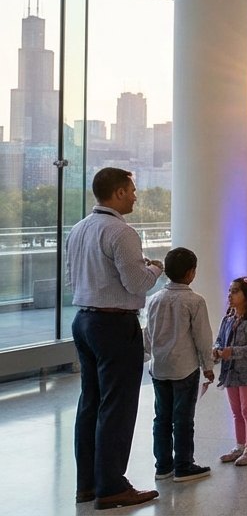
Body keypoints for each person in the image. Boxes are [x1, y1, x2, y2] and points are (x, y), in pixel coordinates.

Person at [69, 167, 164, 508]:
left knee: (90, 404)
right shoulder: (121, 232)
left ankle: (87, 485)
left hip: (83, 321)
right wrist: (155, 267)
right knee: (118, 407)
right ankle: (111, 486)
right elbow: (137, 284)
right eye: (132, 190)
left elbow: (71, 280)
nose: (136, 195)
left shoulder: (79, 229)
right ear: (119, 193)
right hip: (114, 325)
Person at [143, 247, 215, 484]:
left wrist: (151, 355)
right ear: (191, 273)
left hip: (159, 367)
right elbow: (202, 336)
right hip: (185, 367)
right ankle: (183, 464)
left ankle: (163, 466)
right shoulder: (194, 301)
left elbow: (148, 334)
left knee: (161, 417)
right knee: (183, 418)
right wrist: (208, 364)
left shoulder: (153, 300)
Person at [214, 277, 247, 467]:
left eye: (235, 291)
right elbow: (220, 340)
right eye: (230, 291)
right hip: (230, 372)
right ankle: (239, 446)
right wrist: (217, 349)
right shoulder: (227, 319)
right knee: (236, 411)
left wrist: (234, 352)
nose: (230, 295)